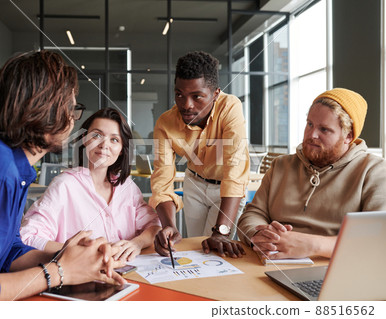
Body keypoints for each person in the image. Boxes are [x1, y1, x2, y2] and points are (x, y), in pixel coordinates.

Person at [0, 50, 125, 301]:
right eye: (70, 107)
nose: (72, 118)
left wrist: (68, 258)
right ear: (43, 108)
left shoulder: (10, 164)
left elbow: (7, 253)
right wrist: (58, 272)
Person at [237, 88, 386, 259]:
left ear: (348, 136)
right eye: (310, 124)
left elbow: (378, 238)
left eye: (324, 129)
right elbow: (253, 214)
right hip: (271, 262)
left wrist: (312, 245)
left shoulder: (374, 171)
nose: (312, 134)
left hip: (333, 268)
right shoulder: (281, 165)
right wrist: (261, 235)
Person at [20, 108, 161, 261]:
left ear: (121, 150)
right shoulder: (65, 185)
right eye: (96, 135)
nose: (104, 145)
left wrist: (137, 244)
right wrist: (77, 251)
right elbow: (28, 236)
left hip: (129, 275)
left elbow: (154, 225)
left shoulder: (127, 187)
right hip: (80, 279)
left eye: (114, 139)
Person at [149, 51, 249, 258]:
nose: (187, 105)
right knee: (197, 248)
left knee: (217, 250)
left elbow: (234, 171)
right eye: (179, 95)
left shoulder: (230, 107)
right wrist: (168, 227)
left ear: (215, 94)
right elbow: (162, 180)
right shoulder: (165, 123)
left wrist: (221, 232)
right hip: (194, 183)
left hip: (226, 189)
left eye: (197, 96)